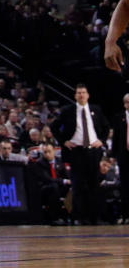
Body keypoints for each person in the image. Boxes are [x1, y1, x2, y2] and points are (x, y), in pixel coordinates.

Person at [53, 84, 110, 224]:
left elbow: (106, 127)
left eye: (83, 92)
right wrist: (64, 141)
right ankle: (79, 217)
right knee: (78, 185)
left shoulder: (96, 109)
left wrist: (101, 141)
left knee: (94, 185)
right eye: (78, 93)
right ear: (75, 96)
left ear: (88, 95)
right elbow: (54, 126)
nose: (81, 95)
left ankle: (94, 217)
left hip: (93, 151)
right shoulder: (68, 110)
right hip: (76, 151)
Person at [109, 92, 129, 225]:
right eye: (127, 102)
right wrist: (113, 156)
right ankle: (126, 214)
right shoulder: (119, 117)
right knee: (125, 186)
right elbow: (116, 138)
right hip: (124, 156)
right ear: (124, 104)